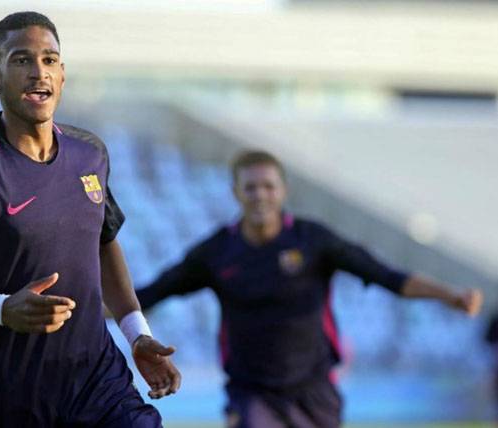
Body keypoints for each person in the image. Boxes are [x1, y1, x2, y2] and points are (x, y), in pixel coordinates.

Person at [0, 11, 181, 428]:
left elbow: (102, 242)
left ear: (62, 74)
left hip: (97, 381)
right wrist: (2, 309)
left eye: (49, 60)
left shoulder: (90, 153)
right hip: (12, 397)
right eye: (21, 60)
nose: (38, 72)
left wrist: (136, 331)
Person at [136, 149, 483, 428]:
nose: (260, 195)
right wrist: (90, 302)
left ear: (283, 191)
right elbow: (148, 295)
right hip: (251, 391)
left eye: (268, 186)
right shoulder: (216, 252)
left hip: (314, 388)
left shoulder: (314, 240)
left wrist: (449, 295)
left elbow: (387, 277)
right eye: (251, 187)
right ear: (236, 192)